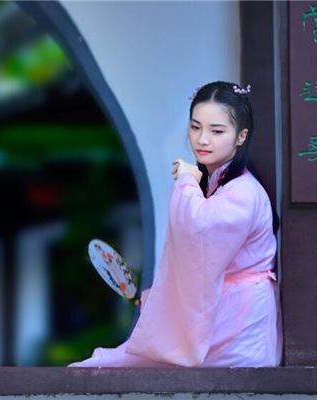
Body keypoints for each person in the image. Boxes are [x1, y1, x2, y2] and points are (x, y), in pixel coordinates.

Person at [69, 81, 283, 368]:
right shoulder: (221, 184)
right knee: (119, 362)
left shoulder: (242, 191)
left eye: (217, 131)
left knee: (119, 364)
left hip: (239, 328)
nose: (202, 139)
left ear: (241, 136)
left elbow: (199, 231)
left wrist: (186, 182)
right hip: (227, 316)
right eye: (195, 127)